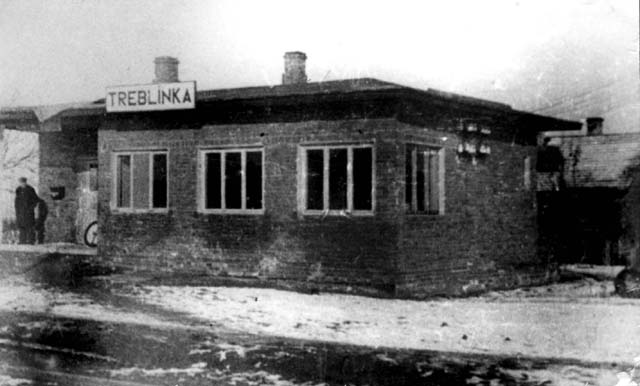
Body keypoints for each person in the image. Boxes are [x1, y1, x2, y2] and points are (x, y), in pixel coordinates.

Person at [14, 177, 39, 245]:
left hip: (28, 212)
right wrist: (17, 211)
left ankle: (31, 241)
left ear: (25, 182)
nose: (22, 184)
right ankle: (22, 241)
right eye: (21, 182)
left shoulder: (30, 189)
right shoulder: (18, 190)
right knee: (21, 226)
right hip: (20, 212)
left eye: (23, 182)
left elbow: (36, 200)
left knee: (30, 226)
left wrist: (31, 208)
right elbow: (17, 201)